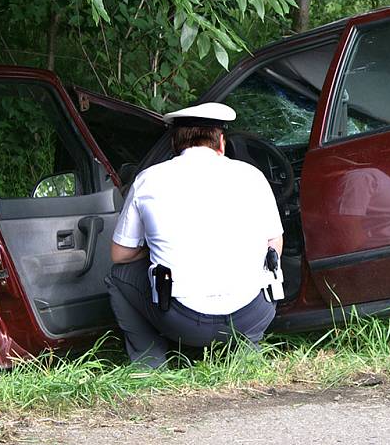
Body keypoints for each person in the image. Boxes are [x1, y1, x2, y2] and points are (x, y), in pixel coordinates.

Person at [104, 102, 283, 368]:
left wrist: (152, 249)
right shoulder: (252, 176)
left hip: (183, 322)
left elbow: (119, 254)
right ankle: (247, 355)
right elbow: (274, 245)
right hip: (252, 314)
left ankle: (149, 366)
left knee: (118, 277)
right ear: (221, 143)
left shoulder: (148, 179)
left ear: (176, 144)